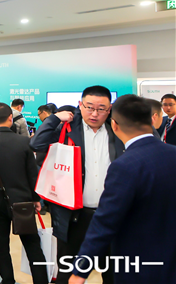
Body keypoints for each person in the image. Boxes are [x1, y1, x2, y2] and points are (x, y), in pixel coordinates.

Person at [68, 95, 176, 284]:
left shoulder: (124, 166)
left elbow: (105, 222)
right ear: (152, 120)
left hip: (140, 265)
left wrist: (80, 271)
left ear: (114, 125)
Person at [31, 86, 124, 284]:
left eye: (101, 109)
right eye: (89, 107)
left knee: (114, 272)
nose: (95, 114)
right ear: (80, 105)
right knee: (68, 271)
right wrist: (54, 118)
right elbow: (36, 144)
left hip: (111, 214)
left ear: (110, 109)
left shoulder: (118, 129)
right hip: (74, 215)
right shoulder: (66, 129)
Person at [0, 103, 46, 284]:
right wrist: (36, 199)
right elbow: (32, 174)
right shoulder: (24, 142)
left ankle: (7, 280)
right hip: (22, 201)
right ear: (11, 119)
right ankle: (40, 280)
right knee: (32, 245)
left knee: (1, 245)